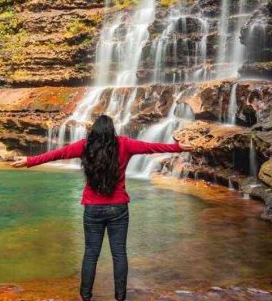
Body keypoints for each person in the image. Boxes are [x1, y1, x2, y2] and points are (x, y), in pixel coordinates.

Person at [11, 114, 193, 301]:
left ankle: (85, 296)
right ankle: (120, 297)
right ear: (112, 130)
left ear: (94, 131)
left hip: (93, 209)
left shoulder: (84, 146)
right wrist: (177, 148)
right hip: (119, 208)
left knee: (91, 254)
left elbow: (57, 154)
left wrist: (29, 161)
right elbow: (151, 147)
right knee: (119, 253)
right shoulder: (124, 144)